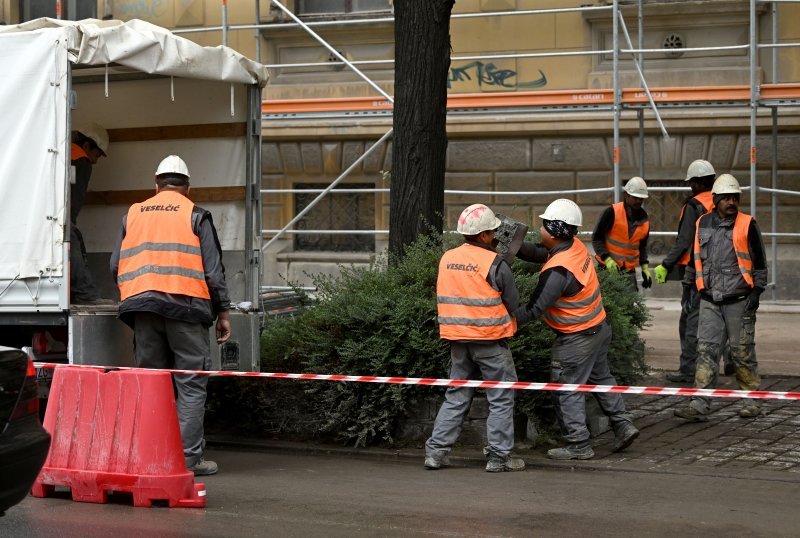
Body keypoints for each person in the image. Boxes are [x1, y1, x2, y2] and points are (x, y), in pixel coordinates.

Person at [110, 155, 232, 476]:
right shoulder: (196, 215)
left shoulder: (131, 215)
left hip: (143, 309)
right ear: (188, 188)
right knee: (191, 385)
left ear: (156, 183)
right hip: (187, 310)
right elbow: (214, 272)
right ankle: (188, 461)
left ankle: (151, 458)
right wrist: (223, 313)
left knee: (152, 385)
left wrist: (136, 292)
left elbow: (114, 266)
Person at [512, 199, 639, 460]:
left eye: (544, 226)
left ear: (556, 231)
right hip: (598, 329)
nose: (540, 230)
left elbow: (534, 309)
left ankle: (578, 445)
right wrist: (513, 247)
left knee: (566, 389)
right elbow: (539, 252)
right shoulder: (574, 246)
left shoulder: (558, 272)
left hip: (576, 340)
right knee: (602, 380)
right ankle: (623, 425)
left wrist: (502, 323)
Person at [426, 203, 525, 473]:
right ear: (482, 236)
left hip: (458, 341)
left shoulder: (447, 258)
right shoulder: (495, 263)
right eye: (492, 232)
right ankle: (499, 458)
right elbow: (513, 302)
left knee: (457, 395)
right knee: (501, 397)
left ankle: (436, 452)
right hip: (490, 340)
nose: (495, 236)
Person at [674, 174, 767, 421]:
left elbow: (759, 263)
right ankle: (699, 404)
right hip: (710, 300)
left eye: (734, 197)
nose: (731, 202)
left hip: (739, 299)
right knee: (706, 350)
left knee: (741, 352)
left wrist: (757, 292)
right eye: (725, 198)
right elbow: (695, 257)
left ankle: (752, 402)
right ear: (715, 200)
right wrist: (688, 287)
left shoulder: (747, 224)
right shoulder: (702, 223)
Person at [654, 159, 718, 383]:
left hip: (697, 272)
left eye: (692, 183)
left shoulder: (694, 205)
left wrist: (666, 264)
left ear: (699, 183)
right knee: (718, 319)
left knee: (690, 320)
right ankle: (724, 361)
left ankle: (688, 368)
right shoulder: (721, 202)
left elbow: (684, 242)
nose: (690, 187)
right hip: (721, 272)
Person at [71, 123, 113, 305]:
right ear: (87, 146)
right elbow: (75, 198)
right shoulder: (82, 161)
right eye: (96, 154)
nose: (96, 160)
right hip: (60, 219)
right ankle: (85, 294)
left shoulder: (61, 151)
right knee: (72, 245)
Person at [592, 176, 651, 292]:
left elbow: (642, 247)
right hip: (607, 269)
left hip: (628, 272)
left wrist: (645, 268)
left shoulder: (645, 221)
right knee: (606, 305)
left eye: (641, 199)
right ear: (626, 195)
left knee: (629, 306)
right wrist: (607, 259)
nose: (638, 201)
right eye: (635, 197)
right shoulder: (612, 212)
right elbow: (596, 238)